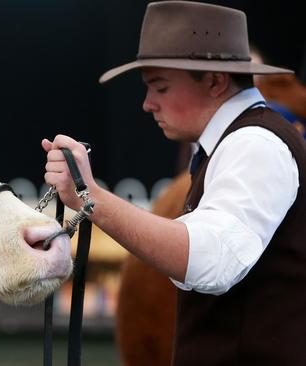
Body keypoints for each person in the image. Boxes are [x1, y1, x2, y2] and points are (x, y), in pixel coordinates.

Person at [43, 1, 305, 365]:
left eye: (160, 87)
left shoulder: (254, 144)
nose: (148, 104)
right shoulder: (237, 142)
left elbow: (210, 260)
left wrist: (92, 197)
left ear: (215, 81)